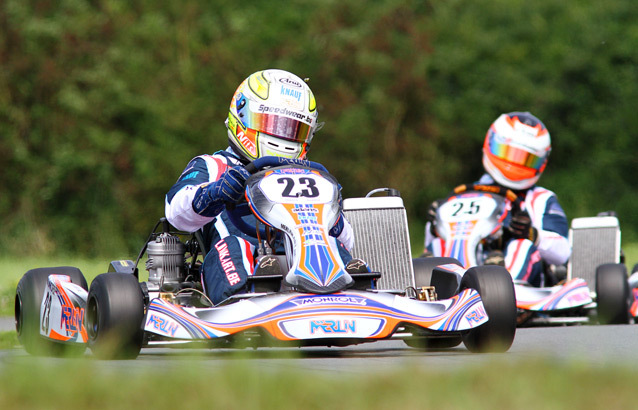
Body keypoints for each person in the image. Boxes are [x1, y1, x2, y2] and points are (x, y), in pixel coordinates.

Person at [165, 69, 356, 305]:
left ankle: (356, 288)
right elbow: (175, 211)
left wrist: (331, 213)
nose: (283, 135)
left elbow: (348, 239)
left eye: (293, 129)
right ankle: (241, 298)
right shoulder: (214, 165)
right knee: (235, 245)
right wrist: (215, 193)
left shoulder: (308, 175)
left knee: (333, 244)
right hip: (243, 258)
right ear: (243, 116)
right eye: (274, 125)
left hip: (301, 255)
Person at [424, 112, 571, 286]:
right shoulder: (464, 195)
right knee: (437, 248)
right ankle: (436, 294)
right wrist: (434, 225)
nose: (514, 163)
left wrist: (533, 234)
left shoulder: (541, 199)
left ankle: (507, 290)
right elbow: (430, 244)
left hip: (517, 287)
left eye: (526, 159)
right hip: (469, 269)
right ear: (490, 144)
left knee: (521, 246)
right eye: (507, 152)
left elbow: (563, 253)